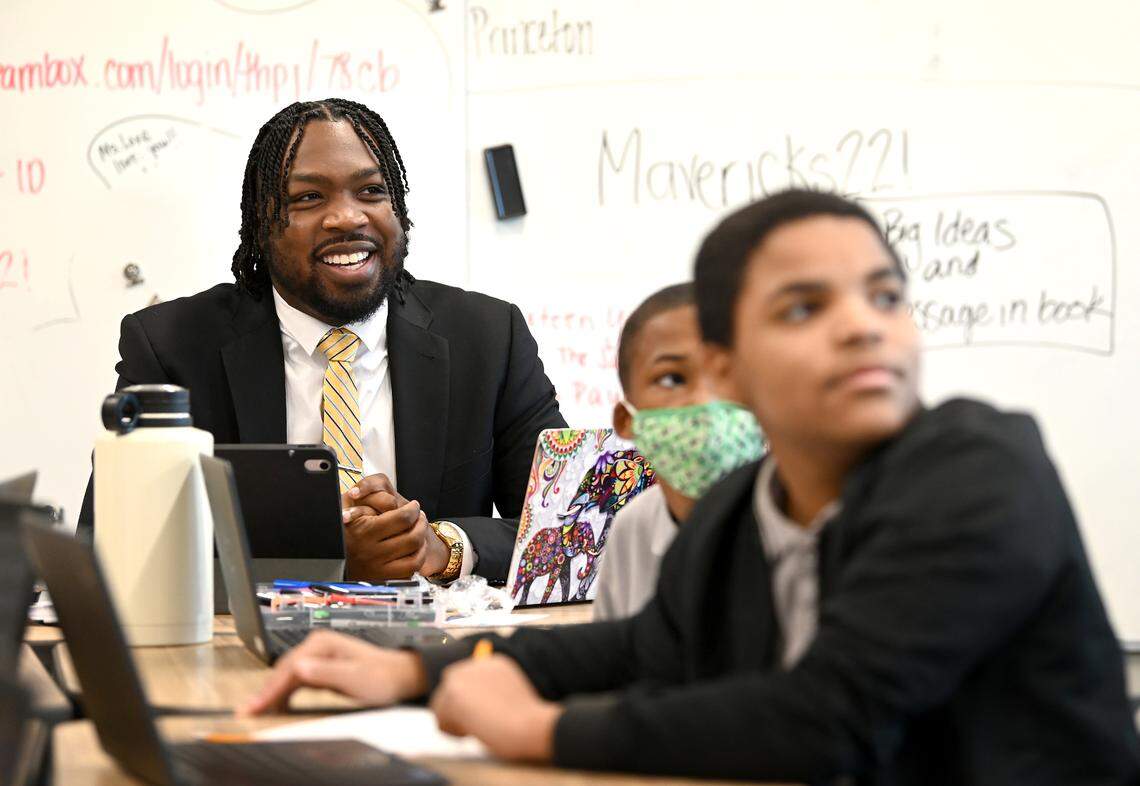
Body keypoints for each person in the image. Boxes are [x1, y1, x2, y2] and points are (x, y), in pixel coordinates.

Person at [241, 190, 1140, 785]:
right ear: (727, 364)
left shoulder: (977, 468)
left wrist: (538, 733)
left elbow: (829, 719)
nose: (863, 330)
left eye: (884, 297)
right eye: (804, 308)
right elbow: (635, 650)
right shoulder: (745, 507)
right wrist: (408, 668)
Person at [77, 98, 566, 583]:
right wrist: (325, 562)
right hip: (252, 653)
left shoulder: (486, 337)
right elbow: (114, 544)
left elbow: (565, 526)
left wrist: (442, 546)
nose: (347, 218)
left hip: (437, 651)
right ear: (261, 223)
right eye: (309, 198)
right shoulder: (172, 346)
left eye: (371, 190)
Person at [594, 282, 763, 619]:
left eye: (727, 374)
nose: (704, 403)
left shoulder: (807, 524)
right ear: (628, 420)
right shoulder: (633, 528)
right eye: (672, 379)